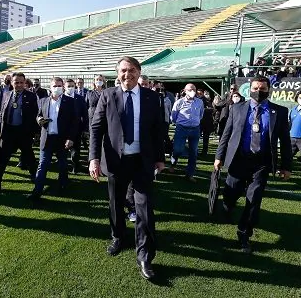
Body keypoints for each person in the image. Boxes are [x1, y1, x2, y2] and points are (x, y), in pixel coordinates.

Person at [89, 56, 164, 280]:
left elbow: (158, 130)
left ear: (139, 72)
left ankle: (144, 256)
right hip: (115, 161)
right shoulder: (108, 95)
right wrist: (93, 158)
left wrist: (159, 158)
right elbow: (96, 128)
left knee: (144, 209)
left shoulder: (152, 97)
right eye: (123, 70)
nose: (127, 74)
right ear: (117, 73)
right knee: (115, 203)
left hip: (142, 161)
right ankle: (118, 236)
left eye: (131, 70)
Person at [214, 76, 292, 253]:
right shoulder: (236, 108)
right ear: (249, 89)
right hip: (239, 159)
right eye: (255, 88)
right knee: (231, 192)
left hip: (262, 163)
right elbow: (226, 135)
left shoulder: (279, 112)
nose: (258, 91)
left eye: (263, 88)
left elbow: (285, 141)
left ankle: (244, 233)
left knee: (254, 198)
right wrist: (219, 156)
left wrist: (286, 166)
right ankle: (228, 205)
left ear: (269, 90)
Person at [0, 72, 38, 194]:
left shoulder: (31, 96)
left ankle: (37, 184)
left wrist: (34, 134)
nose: (19, 85)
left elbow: (34, 116)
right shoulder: (6, 94)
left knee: (30, 159)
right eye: (16, 82)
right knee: (2, 160)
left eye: (21, 82)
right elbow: (1, 113)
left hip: (24, 133)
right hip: (8, 132)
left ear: (25, 83)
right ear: (12, 82)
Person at [28, 77, 77, 200]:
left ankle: (62, 186)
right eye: (54, 86)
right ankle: (37, 191)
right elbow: (38, 115)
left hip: (62, 139)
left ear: (63, 87)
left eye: (59, 86)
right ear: (50, 87)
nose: (57, 88)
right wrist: (39, 120)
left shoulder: (70, 102)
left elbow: (74, 122)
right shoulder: (43, 101)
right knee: (42, 164)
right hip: (47, 138)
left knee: (62, 164)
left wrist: (71, 138)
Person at [168, 83, 204, 182]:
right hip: (181, 128)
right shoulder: (179, 102)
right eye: (190, 89)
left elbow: (201, 115)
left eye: (194, 89)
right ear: (185, 91)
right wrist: (181, 123)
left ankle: (190, 174)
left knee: (194, 152)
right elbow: (173, 117)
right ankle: (173, 163)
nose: (193, 91)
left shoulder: (200, 102)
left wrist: (194, 122)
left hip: (195, 129)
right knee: (177, 149)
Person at [65, 79, 88, 174]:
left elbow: (85, 115)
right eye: (68, 86)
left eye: (72, 86)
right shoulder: (60, 97)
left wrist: (85, 129)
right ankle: (64, 168)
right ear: (64, 87)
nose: (70, 88)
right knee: (63, 150)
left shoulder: (80, 98)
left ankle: (75, 166)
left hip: (77, 129)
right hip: (63, 129)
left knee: (76, 150)